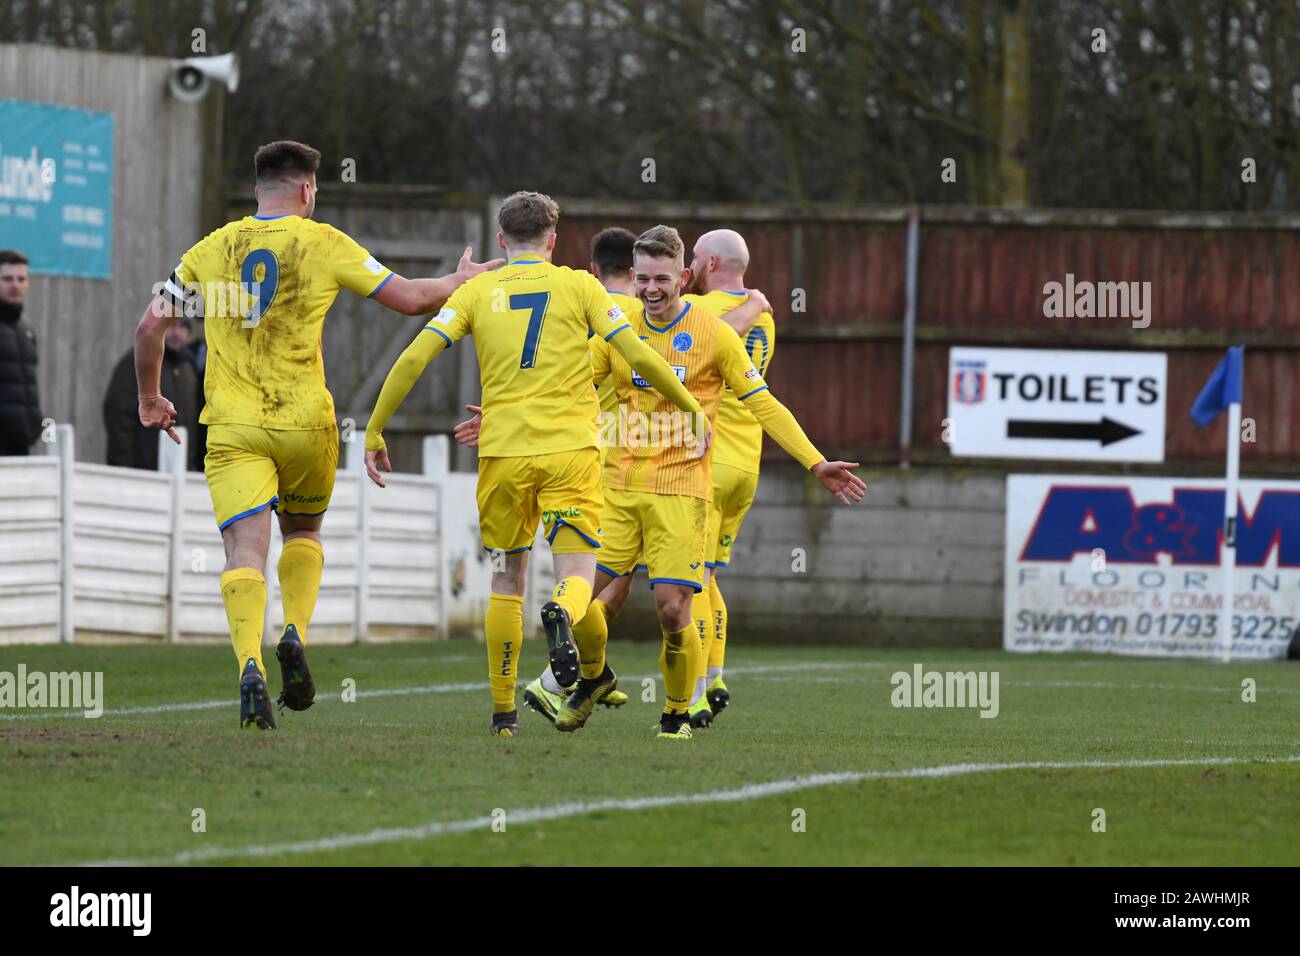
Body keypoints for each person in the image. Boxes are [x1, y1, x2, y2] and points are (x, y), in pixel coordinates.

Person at [135, 139, 501, 731]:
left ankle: (249, 663)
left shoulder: (212, 247)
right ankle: (295, 633)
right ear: (307, 189)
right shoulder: (324, 241)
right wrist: (462, 280)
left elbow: (150, 325)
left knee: (244, 551)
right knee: (302, 531)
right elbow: (410, 299)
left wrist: (151, 399)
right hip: (307, 423)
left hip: (233, 427)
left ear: (259, 188)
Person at [362, 192, 709, 737]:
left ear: (502, 240)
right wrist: (690, 407)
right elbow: (639, 355)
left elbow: (415, 357)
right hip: (569, 451)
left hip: (502, 454)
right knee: (575, 576)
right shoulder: (580, 285)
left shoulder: (478, 290)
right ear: (553, 241)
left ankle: (504, 714)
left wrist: (376, 429)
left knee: (505, 578)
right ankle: (563, 617)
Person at [544, 225, 865, 739]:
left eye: (662, 279)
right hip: (620, 488)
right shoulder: (621, 326)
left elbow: (762, 401)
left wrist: (814, 462)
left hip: (683, 491)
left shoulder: (714, 333)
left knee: (672, 611)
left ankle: (675, 714)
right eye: (643, 278)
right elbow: (573, 381)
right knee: (583, 599)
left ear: (685, 276)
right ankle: (593, 676)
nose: (650, 289)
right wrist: (501, 413)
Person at [105, 317, 201, 470]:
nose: (176, 333)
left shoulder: (188, 366)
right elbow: (119, 415)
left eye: (182, 327)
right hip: (143, 472)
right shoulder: (139, 361)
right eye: (171, 326)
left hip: (181, 472)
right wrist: (123, 467)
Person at [0, 250, 41, 457]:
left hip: (21, 444)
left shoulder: (27, 331)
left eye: (21, 279)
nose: (15, 284)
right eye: (7, 279)